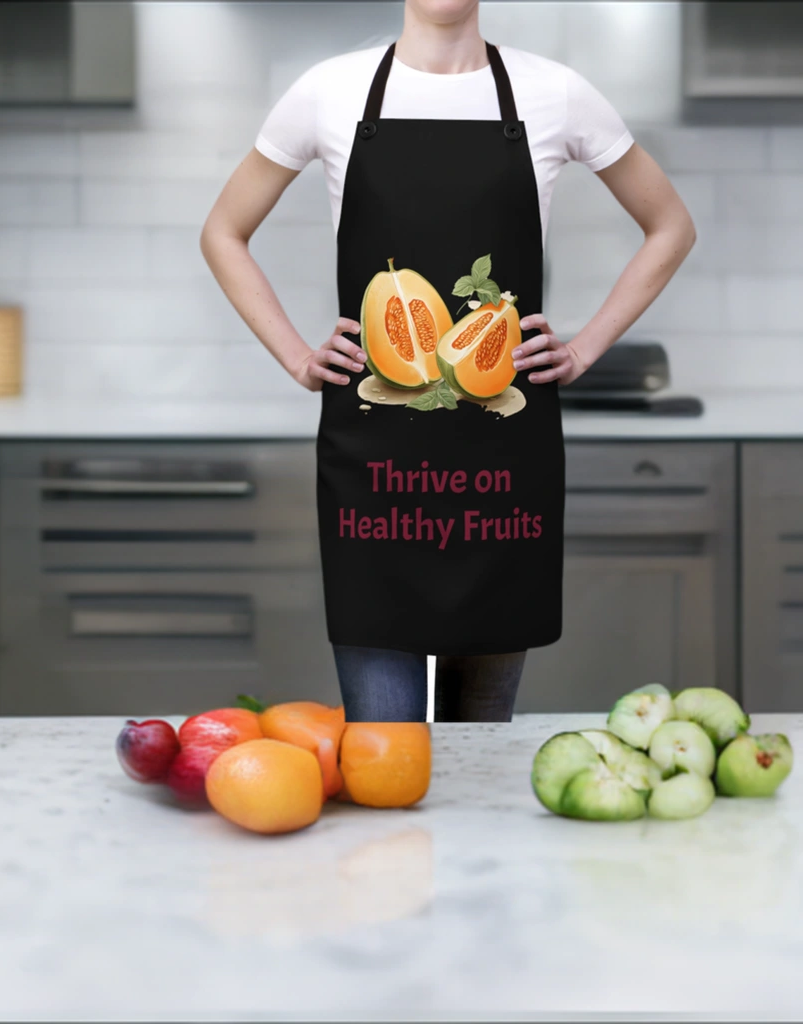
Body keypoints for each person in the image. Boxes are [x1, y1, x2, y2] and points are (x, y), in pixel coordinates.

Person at [200, 0, 696, 724]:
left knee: (481, 755)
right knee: (384, 751)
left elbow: (671, 226)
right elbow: (223, 231)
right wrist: (297, 357)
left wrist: (586, 345)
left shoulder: (554, 93)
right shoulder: (328, 91)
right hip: (376, 477)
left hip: (500, 475)